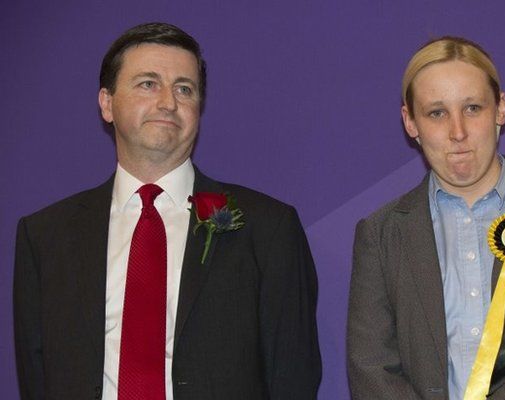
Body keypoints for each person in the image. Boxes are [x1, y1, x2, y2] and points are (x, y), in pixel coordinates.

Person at [14, 22, 321, 400]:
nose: (168, 102)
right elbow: (35, 378)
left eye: (184, 88)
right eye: (148, 83)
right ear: (106, 104)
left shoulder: (268, 228)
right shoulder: (45, 236)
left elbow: (293, 377)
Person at [347, 36, 505, 400]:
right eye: (436, 113)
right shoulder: (380, 234)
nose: (458, 132)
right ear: (410, 122)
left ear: (500, 109)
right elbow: (371, 370)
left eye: (472, 108)